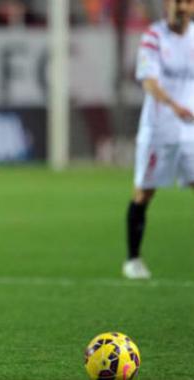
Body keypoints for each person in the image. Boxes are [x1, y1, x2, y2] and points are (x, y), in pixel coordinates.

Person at [123, 0, 194, 280]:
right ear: (168, 6)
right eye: (177, 1)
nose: (182, 7)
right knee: (144, 192)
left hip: (191, 131)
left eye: (187, 1)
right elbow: (149, 81)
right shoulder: (154, 36)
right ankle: (133, 259)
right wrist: (174, 105)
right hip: (160, 128)